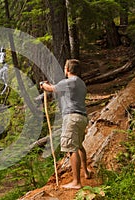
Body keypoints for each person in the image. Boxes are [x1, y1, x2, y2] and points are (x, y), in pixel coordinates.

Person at [40, 59, 91, 189]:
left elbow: (51, 89)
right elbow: (59, 89)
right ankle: (86, 172)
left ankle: (76, 182)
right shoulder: (80, 83)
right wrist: (50, 86)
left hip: (71, 117)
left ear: (68, 69)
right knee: (79, 145)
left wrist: (43, 85)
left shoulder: (69, 82)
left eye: (64, 68)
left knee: (71, 148)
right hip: (82, 117)